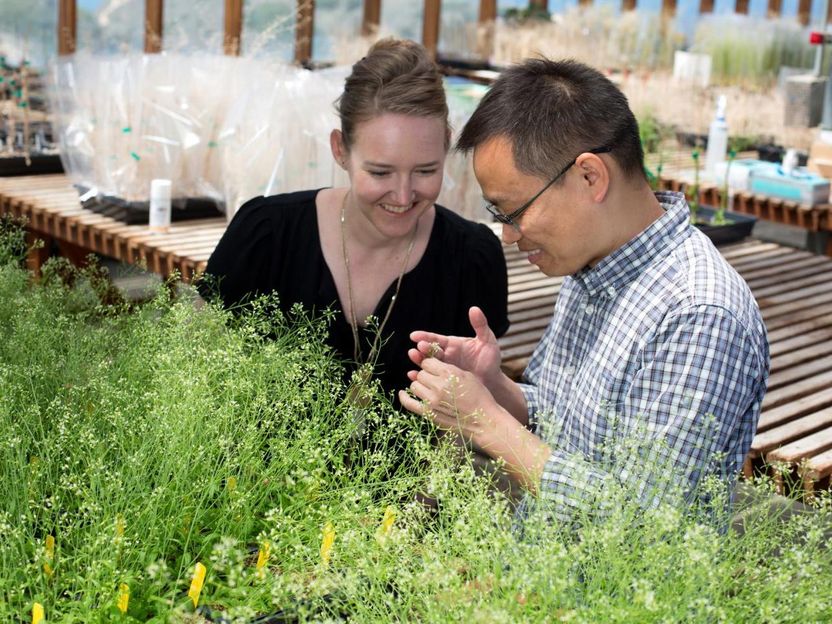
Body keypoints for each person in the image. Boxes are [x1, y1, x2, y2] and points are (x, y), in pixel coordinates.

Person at [399, 58, 770, 524]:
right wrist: (497, 388)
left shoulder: (700, 314)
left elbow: (644, 525)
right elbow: (573, 424)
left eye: (513, 212)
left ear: (590, 177)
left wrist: (483, 422)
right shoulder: (593, 266)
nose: (509, 236)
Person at [199, 38, 509, 400]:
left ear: (446, 146)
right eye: (380, 173)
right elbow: (193, 373)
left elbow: (466, 422)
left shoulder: (472, 258)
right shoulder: (266, 235)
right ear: (339, 150)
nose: (404, 195)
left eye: (425, 171)